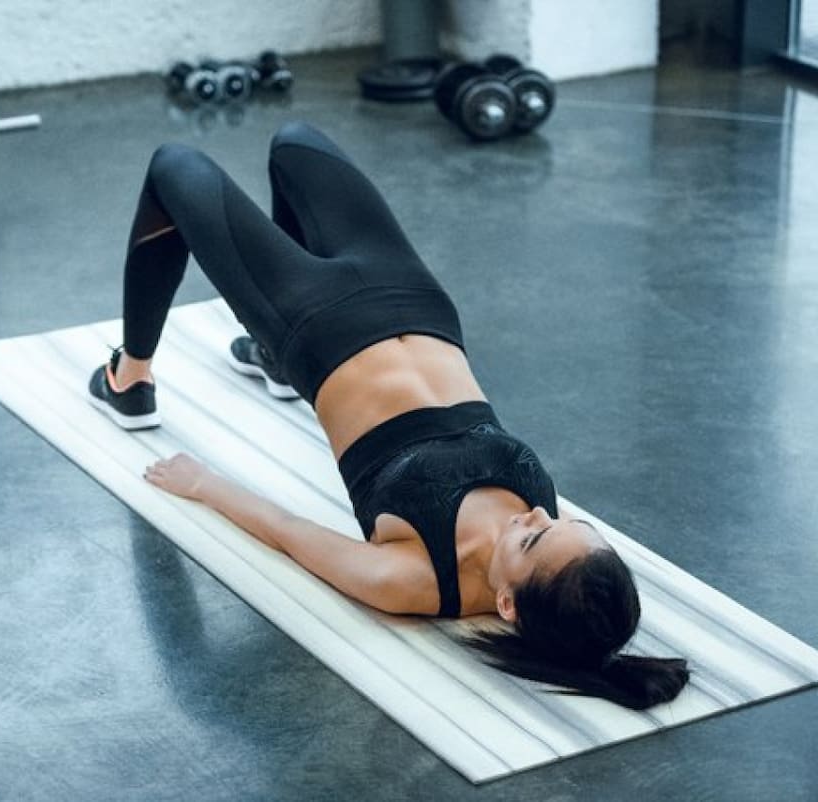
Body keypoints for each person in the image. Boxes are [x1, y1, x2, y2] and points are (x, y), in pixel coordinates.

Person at [87, 122, 689, 710]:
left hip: (315, 326)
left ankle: (130, 377)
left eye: (533, 535)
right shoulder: (558, 561)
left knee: (174, 166)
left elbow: (292, 534)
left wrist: (203, 485)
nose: (537, 512)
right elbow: (563, 564)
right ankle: (265, 361)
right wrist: (544, 543)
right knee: (296, 144)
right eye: (559, 521)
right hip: (418, 301)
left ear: (507, 604)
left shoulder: (418, 581)